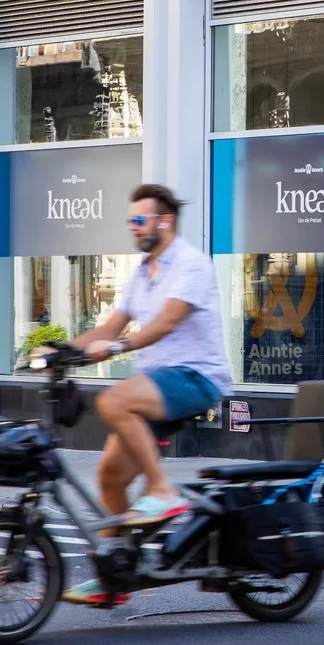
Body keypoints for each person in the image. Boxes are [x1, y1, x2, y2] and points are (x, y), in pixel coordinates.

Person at [34, 183, 233, 606]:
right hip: (157, 384)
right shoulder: (143, 272)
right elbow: (110, 327)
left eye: (140, 220)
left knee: (113, 400)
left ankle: (162, 491)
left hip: (196, 378)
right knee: (110, 476)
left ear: (166, 221)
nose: (134, 227)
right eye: (131, 221)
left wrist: (118, 348)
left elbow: (166, 322)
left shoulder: (192, 265)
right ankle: (115, 574)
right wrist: (61, 350)